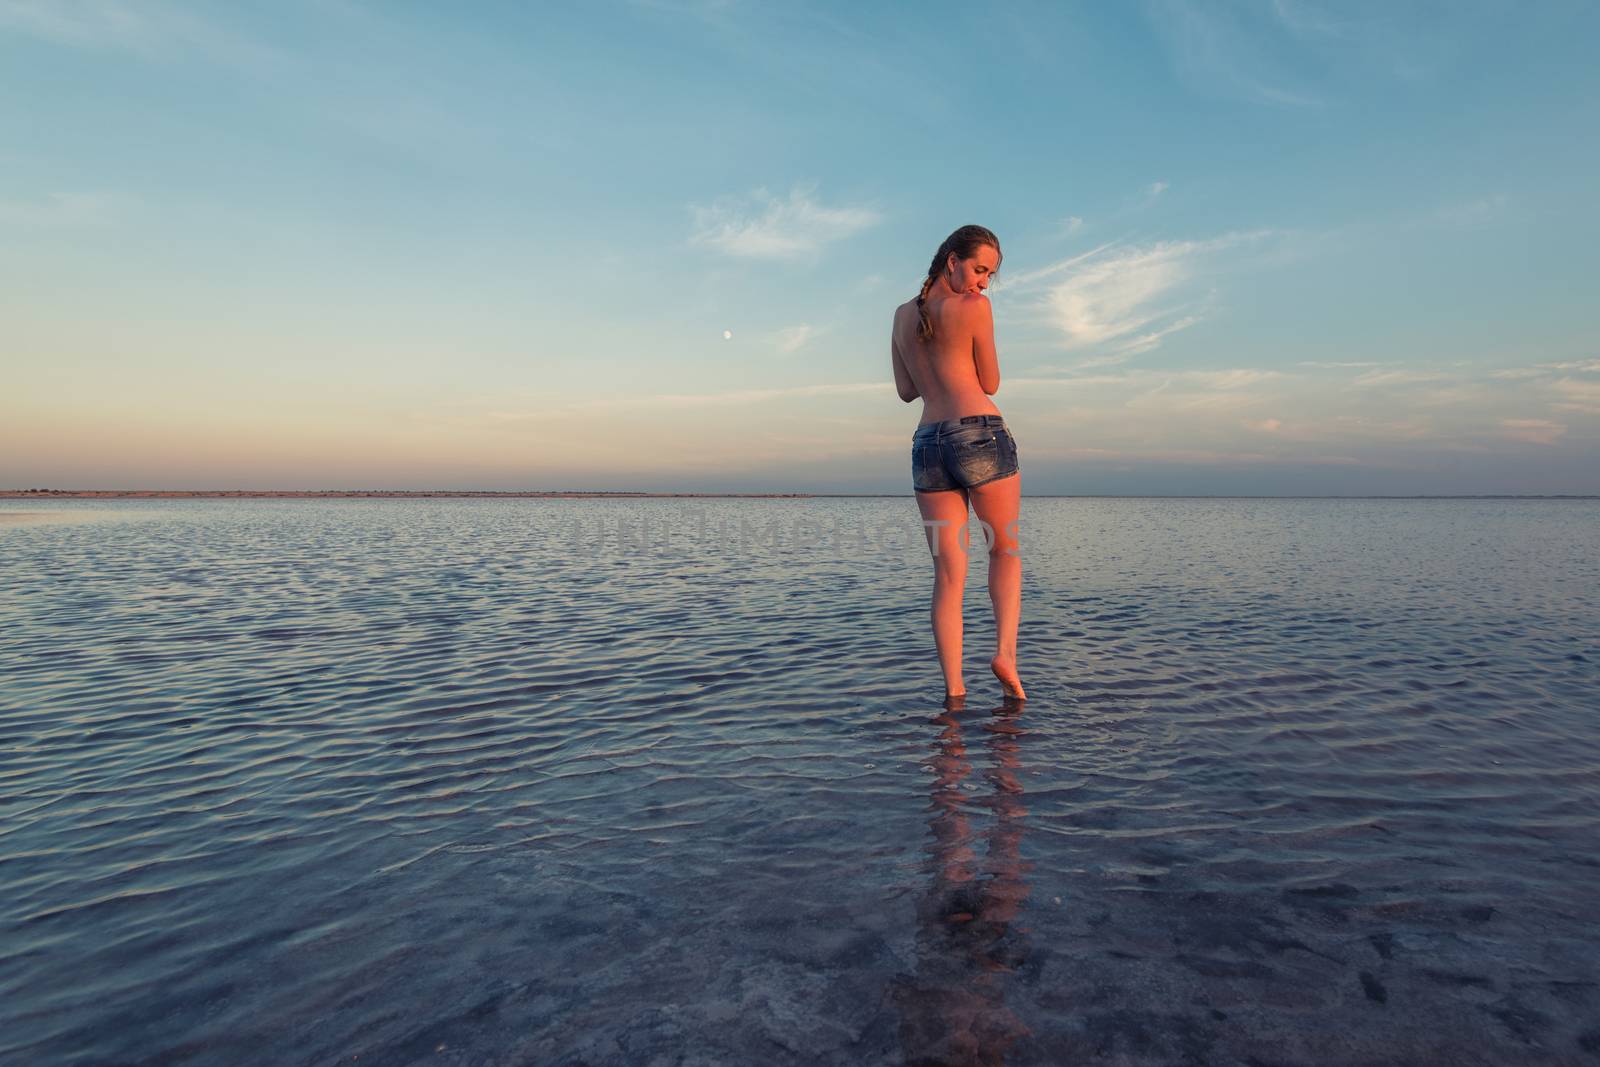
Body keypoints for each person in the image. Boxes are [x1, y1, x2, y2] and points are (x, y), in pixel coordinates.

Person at [891, 225, 1024, 700]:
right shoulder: (975, 308)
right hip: (979, 435)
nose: (984, 283)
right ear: (952, 261)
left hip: (927, 443)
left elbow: (907, 391)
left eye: (990, 274)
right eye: (980, 269)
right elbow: (990, 381)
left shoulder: (902, 315)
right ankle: (1005, 654)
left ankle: (955, 692)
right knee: (1003, 548)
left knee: (948, 573)